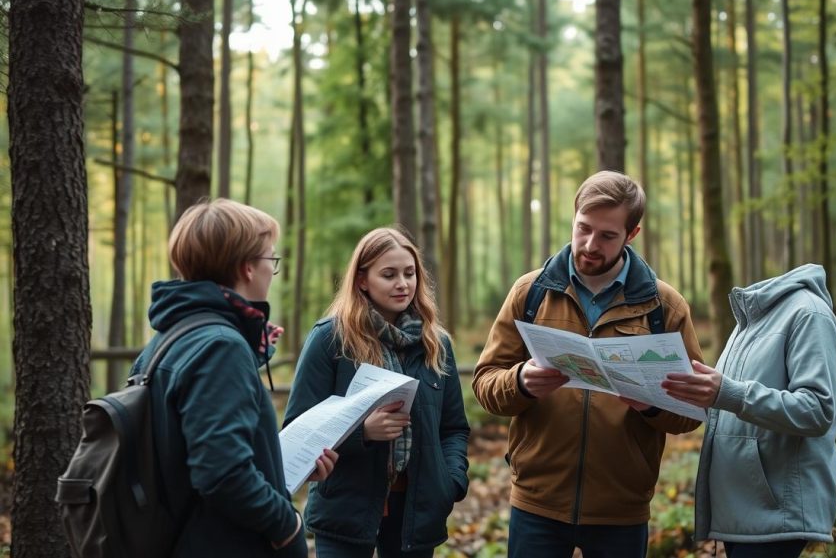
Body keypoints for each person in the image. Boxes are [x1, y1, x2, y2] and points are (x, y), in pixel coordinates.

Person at [473, 170, 705, 558]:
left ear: (632, 234)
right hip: (537, 502)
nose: (589, 245)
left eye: (607, 236)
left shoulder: (665, 308)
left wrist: (649, 403)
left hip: (622, 509)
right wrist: (522, 382)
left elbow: (691, 412)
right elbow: (485, 384)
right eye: (583, 228)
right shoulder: (530, 293)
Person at [130, 198, 337, 557]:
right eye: (271, 260)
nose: (272, 272)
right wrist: (287, 525)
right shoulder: (220, 348)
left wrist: (282, 470)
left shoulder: (168, 340)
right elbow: (223, 474)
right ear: (247, 268)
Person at [284, 227, 470, 558]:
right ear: (362, 280)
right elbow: (299, 427)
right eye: (389, 274)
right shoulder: (330, 338)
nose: (403, 283)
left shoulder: (435, 343)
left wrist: (450, 483)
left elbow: (453, 427)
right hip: (346, 508)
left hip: (417, 509)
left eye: (409, 273)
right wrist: (362, 433)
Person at [661, 264, 836, 558]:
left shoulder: (809, 314)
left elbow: (818, 409)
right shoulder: (749, 323)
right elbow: (731, 409)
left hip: (776, 510)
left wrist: (728, 393)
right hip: (743, 507)